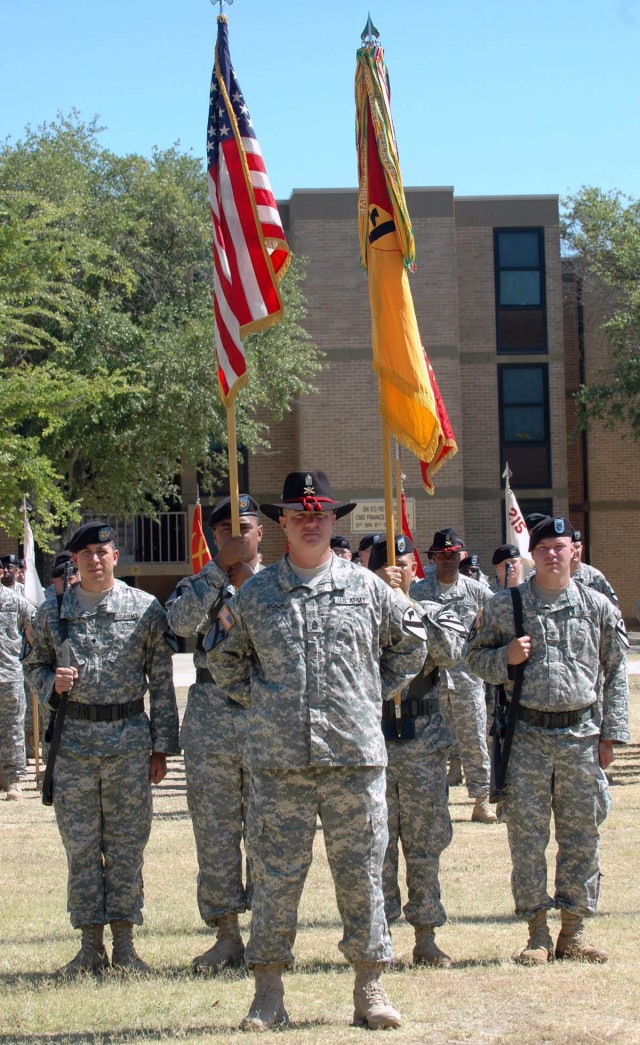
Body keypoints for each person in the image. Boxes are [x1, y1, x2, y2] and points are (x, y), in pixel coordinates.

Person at [207, 471, 427, 1032]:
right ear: (283, 523)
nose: (310, 523)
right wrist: (266, 708)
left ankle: (369, 985)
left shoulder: (367, 588)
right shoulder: (254, 595)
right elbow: (224, 661)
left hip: (353, 759)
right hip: (280, 766)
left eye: (321, 515)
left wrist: (365, 694)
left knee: (362, 875)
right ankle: (268, 992)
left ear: (334, 522)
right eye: (300, 515)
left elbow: (412, 646)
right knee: (276, 878)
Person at [465, 516, 630, 965]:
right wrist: (506, 656)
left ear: (574, 551)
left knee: (582, 836)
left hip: (581, 735)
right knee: (528, 836)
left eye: (561, 547)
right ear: (531, 556)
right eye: (544, 549)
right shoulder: (506, 606)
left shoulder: (597, 606)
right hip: (527, 737)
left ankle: (572, 931)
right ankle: (537, 933)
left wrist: (612, 736)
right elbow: (472, 657)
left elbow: (615, 671)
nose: (553, 555)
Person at [22, 523, 179, 977]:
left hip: (129, 741)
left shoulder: (145, 609)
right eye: (85, 553)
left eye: (102, 551)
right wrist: (52, 683)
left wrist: (162, 747)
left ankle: (126, 946)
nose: (94, 559)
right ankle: (90, 946)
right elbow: (32, 665)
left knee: (128, 845)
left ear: (115, 556)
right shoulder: (50, 614)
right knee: (82, 847)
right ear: (74, 562)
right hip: (72, 747)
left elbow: (162, 681)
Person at [166, 493, 263, 973]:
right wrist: (218, 572)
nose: (233, 537)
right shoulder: (197, 584)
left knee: (269, 832)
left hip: (266, 720)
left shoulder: (280, 585)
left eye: (242, 528)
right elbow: (178, 623)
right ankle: (227, 935)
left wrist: (248, 583)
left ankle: (268, 934)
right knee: (215, 833)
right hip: (209, 721)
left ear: (261, 532)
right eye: (223, 530)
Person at [369, 535, 467, 968]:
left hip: (423, 740)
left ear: (415, 569)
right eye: (387, 567)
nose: (398, 572)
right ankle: (382, 935)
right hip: (375, 739)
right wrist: (379, 598)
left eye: (404, 564)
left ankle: (426, 936)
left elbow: (451, 653)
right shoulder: (359, 617)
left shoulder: (431, 613)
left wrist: (406, 609)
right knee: (377, 843)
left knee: (425, 842)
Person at [411, 528, 497, 823]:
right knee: (432, 745)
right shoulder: (418, 592)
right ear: (433, 557)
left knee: (474, 742)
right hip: (430, 683)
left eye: (452, 555)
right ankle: (437, 804)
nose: (447, 560)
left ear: (461, 555)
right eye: (441, 555)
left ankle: (481, 800)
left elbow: (495, 624)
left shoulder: (477, 592)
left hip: (466, 679)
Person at [0, 575, 36, 800]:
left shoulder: (14, 601)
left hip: (9, 676)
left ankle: (14, 780)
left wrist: (32, 658)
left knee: (13, 730)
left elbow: (34, 630)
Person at [570, 531, 619, 606]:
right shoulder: (555, 577)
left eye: (577, 547)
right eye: (571, 548)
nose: (574, 551)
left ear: (581, 548)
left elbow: (613, 606)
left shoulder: (595, 576)